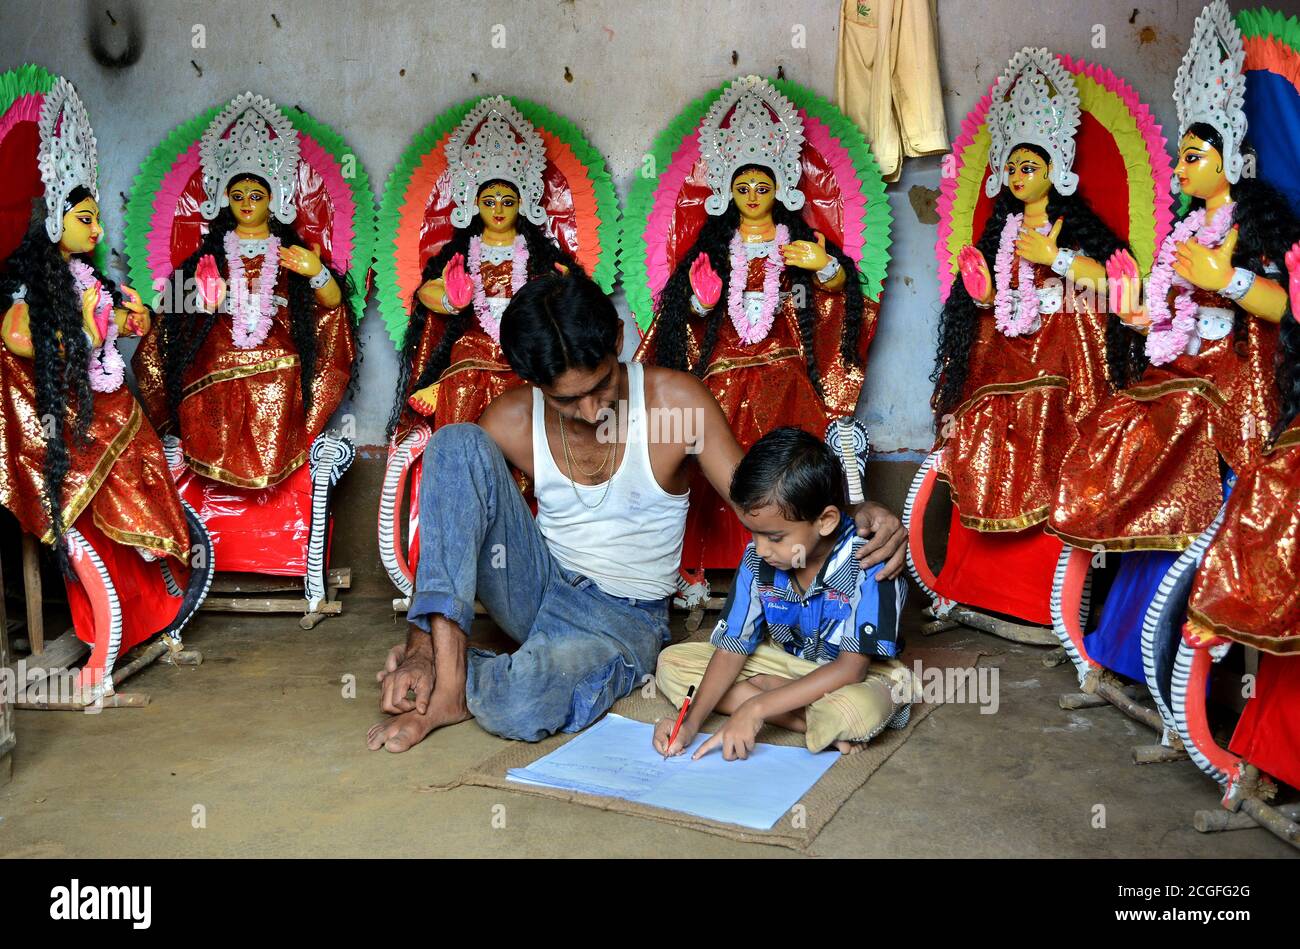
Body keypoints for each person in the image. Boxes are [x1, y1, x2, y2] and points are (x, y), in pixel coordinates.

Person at [366, 269, 907, 752]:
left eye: (600, 385)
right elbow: (453, 531)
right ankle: (444, 667)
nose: (590, 409)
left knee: (522, 704)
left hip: (623, 617)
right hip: (536, 589)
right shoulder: (508, 418)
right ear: (532, 383)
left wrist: (860, 510)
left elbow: (765, 500)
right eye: (564, 401)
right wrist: (418, 648)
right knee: (454, 444)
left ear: (619, 341)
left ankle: (464, 672)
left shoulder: (677, 403)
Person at [653, 427, 912, 761]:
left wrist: (755, 707)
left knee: (855, 711)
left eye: (775, 537)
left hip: (856, 674)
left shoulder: (870, 560)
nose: (760, 549)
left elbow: (851, 670)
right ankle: (804, 719)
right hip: (782, 661)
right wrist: (690, 723)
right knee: (671, 664)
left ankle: (776, 701)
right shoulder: (757, 559)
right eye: (753, 534)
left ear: (826, 520)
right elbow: (732, 649)